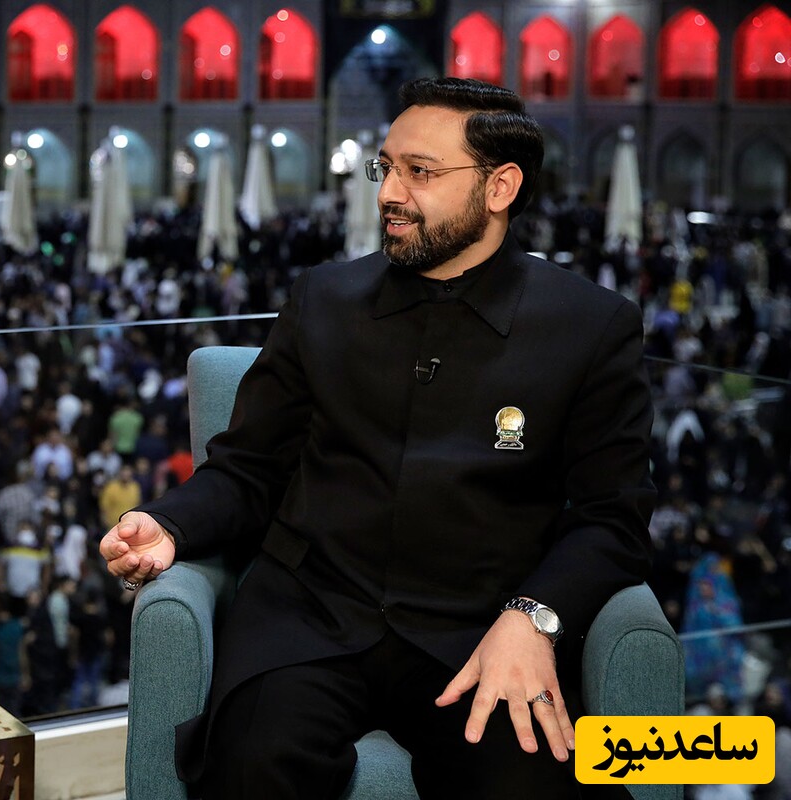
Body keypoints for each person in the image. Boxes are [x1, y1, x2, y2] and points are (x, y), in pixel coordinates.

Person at [100, 77, 655, 800]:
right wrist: (171, 524)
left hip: (481, 628)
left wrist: (533, 619)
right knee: (252, 764)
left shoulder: (592, 326)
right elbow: (248, 467)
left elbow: (614, 518)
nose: (389, 192)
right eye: (386, 167)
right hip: (309, 617)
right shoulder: (322, 299)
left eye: (420, 172)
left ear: (500, 187)